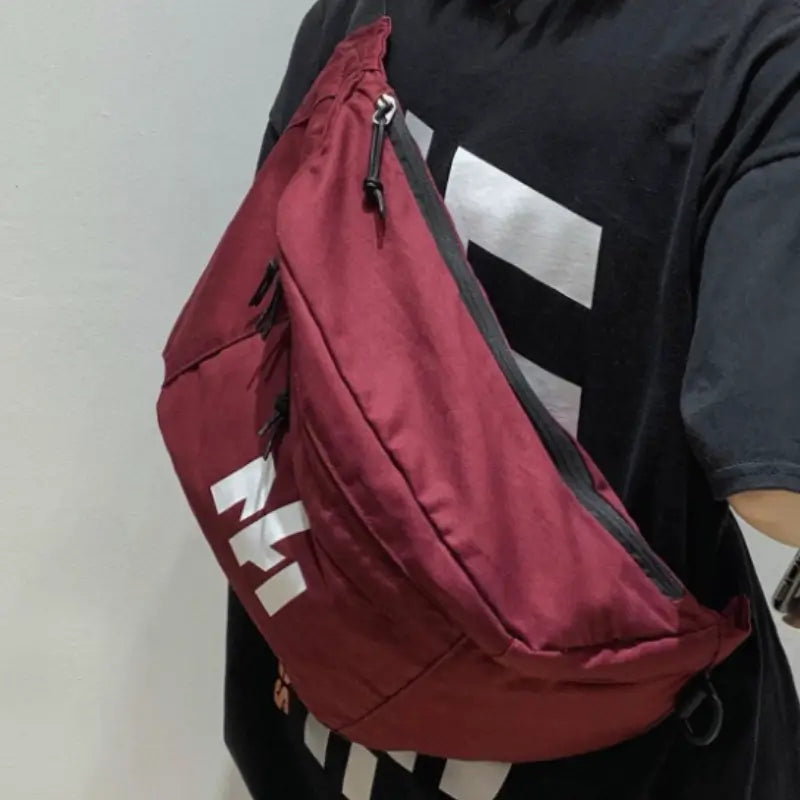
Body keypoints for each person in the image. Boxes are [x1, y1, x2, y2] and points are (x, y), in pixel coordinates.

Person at [223, 1, 800, 797]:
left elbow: (266, 314)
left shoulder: (352, 13)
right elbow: (778, 486)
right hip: (597, 751)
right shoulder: (759, 56)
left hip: (313, 706)